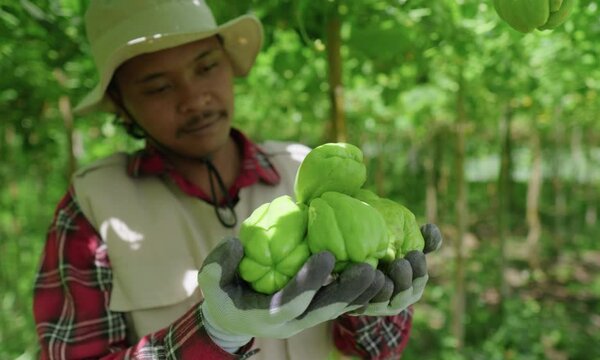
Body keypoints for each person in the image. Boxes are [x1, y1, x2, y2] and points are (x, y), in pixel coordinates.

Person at [33, 1, 442, 359]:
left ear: (229, 65)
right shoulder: (94, 206)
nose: (194, 99)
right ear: (122, 107)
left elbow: (379, 350)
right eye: (158, 87)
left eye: (206, 67)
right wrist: (214, 334)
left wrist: (372, 307)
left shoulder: (306, 171)